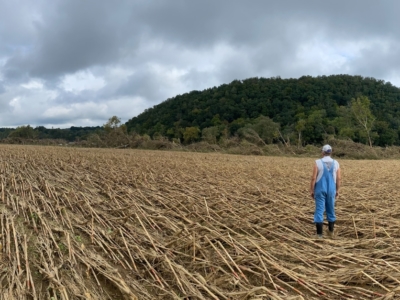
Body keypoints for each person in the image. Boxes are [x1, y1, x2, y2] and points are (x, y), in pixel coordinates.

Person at [310, 144, 341, 238]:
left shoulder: (318, 163)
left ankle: (319, 235)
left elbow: (313, 178)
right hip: (332, 189)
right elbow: (339, 178)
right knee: (331, 209)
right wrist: (337, 190)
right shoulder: (336, 163)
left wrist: (312, 190)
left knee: (319, 210)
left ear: (323, 152)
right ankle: (331, 232)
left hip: (320, 189)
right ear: (331, 152)